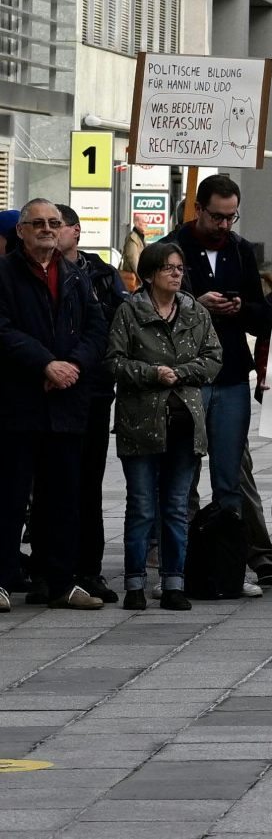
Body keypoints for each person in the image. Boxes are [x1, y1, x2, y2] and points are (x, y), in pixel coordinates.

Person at [162, 174, 271, 593]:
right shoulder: (174, 248)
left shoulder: (241, 251)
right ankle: (177, 567)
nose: (225, 225)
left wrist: (241, 306)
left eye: (232, 217)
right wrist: (195, 305)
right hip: (186, 375)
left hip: (228, 377)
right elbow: (154, 308)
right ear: (198, 210)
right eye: (217, 217)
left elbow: (261, 314)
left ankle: (230, 564)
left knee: (229, 477)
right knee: (182, 475)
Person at [0, 199, 108, 610]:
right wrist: (45, 363)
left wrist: (72, 366)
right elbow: (3, 330)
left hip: (66, 403)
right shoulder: (4, 274)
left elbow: (98, 329)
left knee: (63, 497)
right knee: (9, 497)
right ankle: (3, 579)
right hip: (17, 404)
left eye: (53, 223)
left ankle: (60, 582)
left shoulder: (77, 276)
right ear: (21, 231)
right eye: (38, 223)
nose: (47, 229)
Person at [106, 240, 221, 610]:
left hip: (185, 421)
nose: (176, 274)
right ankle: (135, 584)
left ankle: (174, 583)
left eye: (179, 268)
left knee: (175, 506)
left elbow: (214, 358)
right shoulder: (130, 311)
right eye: (168, 268)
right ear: (151, 274)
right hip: (141, 421)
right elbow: (114, 361)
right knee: (141, 505)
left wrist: (182, 372)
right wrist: (151, 373)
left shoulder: (195, 311)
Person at [52, 204, 126, 604]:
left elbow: (111, 325)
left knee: (88, 483)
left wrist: (81, 364)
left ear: (75, 232)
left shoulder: (99, 274)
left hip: (92, 390)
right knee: (50, 484)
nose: (50, 232)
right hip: (46, 390)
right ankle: (51, 567)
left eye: (56, 225)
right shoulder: (27, 270)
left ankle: (88, 569)